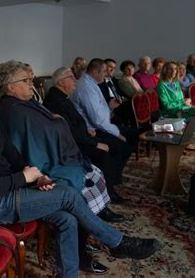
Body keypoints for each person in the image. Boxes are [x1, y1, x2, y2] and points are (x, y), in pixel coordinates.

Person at [0, 79, 160, 277]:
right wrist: (23, 177)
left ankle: (69, 274)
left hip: (10, 192)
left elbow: (13, 156)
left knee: (67, 218)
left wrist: (36, 178)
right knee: (68, 195)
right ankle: (118, 243)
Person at [44, 67, 130, 203]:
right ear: (61, 82)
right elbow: (68, 131)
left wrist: (87, 129)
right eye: (71, 77)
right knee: (105, 151)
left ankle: (111, 183)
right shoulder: (55, 101)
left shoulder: (61, 97)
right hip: (71, 145)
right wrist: (96, 143)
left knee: (116, 145)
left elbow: (75, 123)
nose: (75, 80)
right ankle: (107, 193)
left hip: (81, 137)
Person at [71, 58, 138, 163]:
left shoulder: (92, 83)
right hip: (91, 130)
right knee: (123, 142)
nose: (106, 74)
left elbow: (98, 110)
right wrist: (117, 134)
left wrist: (109, 107)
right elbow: (97, 120)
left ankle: (116, 169)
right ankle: (112, 174)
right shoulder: (86, 87)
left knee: (133, 134)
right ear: (94, 72)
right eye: (104, 71)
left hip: (98, 125)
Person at [156, 61, 195, 153]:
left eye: (175, 69)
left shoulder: (176, 83)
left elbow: (180, 100)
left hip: (184, 109)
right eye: (170, 68)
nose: (173, 71)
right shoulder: (161, 85)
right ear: (165, 71)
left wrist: (187, 101)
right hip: (173, 113)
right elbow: (167, 105)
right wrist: (182, 102)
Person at [98, 58, 134, 127]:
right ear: (104, 67)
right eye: (110, 67)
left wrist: (123, 98)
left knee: (131, 104)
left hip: (120, 104)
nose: (112, 70)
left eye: (114, 68)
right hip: (110, 106)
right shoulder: (99, 82)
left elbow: (123, 94)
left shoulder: (116, 81)